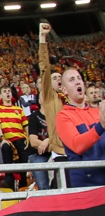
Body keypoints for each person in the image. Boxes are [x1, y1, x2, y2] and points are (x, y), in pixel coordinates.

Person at [56, 67, 105, 187]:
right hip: (85, 185)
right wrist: (101, 126)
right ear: (64, 90)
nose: (77, 81)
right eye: (72, 80)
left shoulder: (97, 112)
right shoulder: (63, 116)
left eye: (79, 78)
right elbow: (77, 145)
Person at [38, 23, 66, 159]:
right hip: (60, 149)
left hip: (79, 149)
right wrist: (42, 38)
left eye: (60, 77)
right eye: (54, 78)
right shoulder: (51, 96)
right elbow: (44, 67)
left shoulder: (71, 97)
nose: (58, 79)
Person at [0, 85, 28, 188]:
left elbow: (26, 125)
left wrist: (28, 138)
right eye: (4, 91)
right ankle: (9, 179)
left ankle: (23, 182)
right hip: (7, 139)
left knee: (24, 151)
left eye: (9, 91)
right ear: (0, 96)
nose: (7, 93)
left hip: (20, 138)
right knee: (6, 147)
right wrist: (2, 138)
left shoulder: (19, 109)